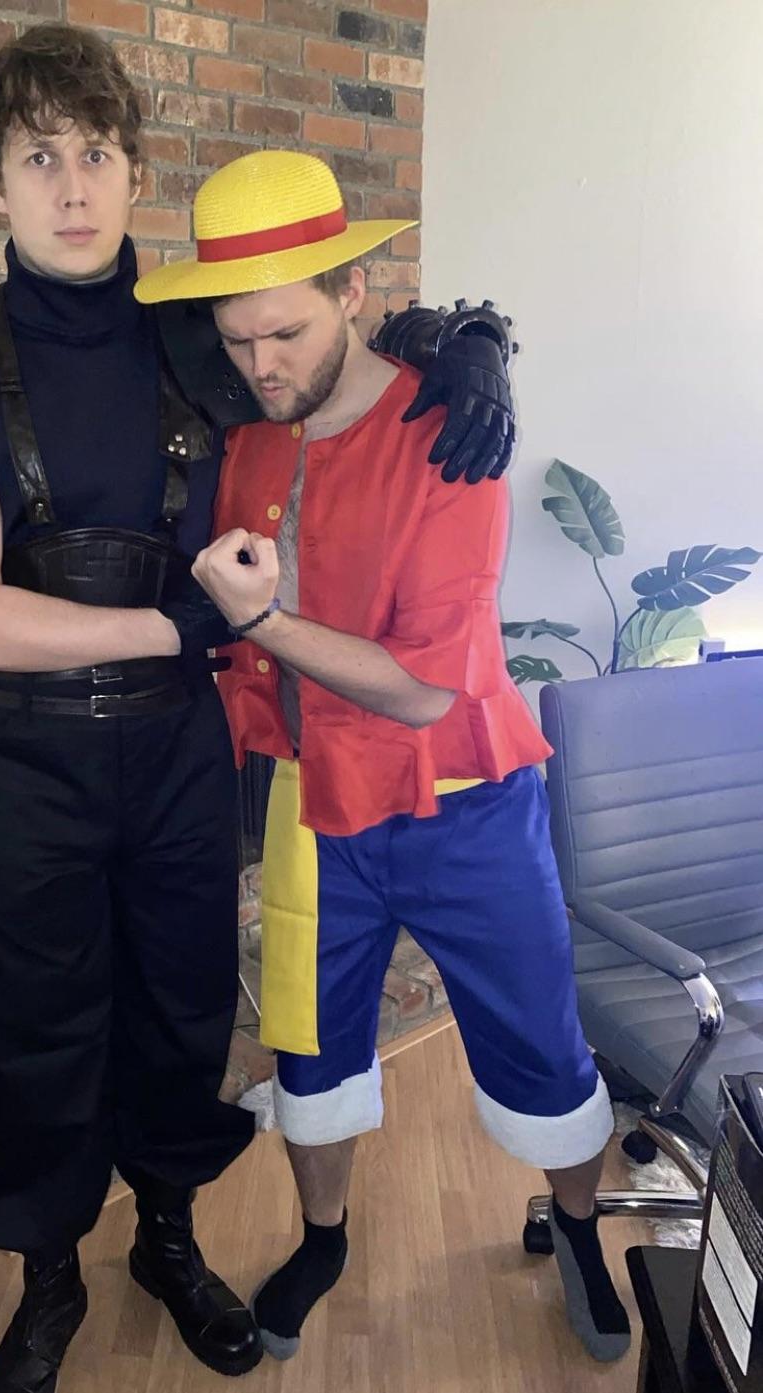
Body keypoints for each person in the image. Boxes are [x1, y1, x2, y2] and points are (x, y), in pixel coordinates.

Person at [0, 24, 518, 1393]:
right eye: (37, 158)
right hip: (23, 757)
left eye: (95, 154)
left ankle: (165, 1241)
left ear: (133, 170)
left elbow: (333, 347)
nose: (71, 188)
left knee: (180, 1005)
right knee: (34, 1022)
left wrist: (468, 347)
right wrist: (180, 624)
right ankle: (49, 1280)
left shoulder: (199, 338)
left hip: (176, 747)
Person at [136, 148, 631, 1367]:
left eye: (287, 333)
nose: (262, 364)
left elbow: (422, 688)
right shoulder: (250, 442)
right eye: (238, 339)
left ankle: (578, 1227)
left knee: (537, 1037)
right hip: (313, 804)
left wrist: (261, 620)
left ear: (351, 292)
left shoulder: (452, 439)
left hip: (467, 803)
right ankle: (323, 1237)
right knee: (312, 1047)